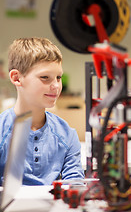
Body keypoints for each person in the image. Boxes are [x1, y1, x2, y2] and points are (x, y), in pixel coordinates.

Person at [0, 37, 84, 185]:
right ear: (17, 78)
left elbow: (75, 185)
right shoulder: (2, 131)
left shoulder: (67, 135)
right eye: (45, 77)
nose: (56, 86)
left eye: (58, 78)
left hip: (54, 207)